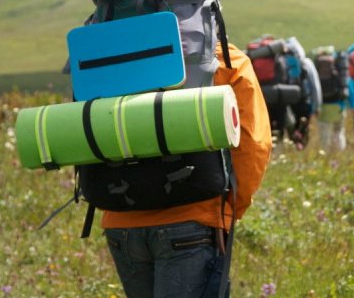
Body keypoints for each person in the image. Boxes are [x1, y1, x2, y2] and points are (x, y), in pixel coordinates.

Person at [101, 39, 272, 296]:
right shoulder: (225, 58)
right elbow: (252, 145)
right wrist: (232, 209)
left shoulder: (109, 53)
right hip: (193, 219)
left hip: (120, 219)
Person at [311, 45, 351, 151]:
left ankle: (325, 155)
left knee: (325, 135)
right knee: (338, 132)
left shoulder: (316, 66)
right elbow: (347, 85)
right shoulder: (338, 65)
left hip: (323, 106)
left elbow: (313, 87)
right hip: (338, 106)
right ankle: (340, 154)